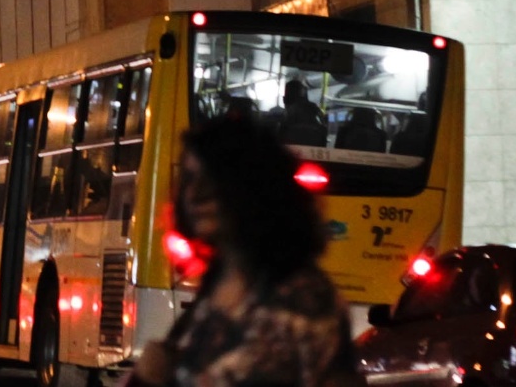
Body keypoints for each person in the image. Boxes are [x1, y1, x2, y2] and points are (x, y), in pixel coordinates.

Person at [127, 114, 357, 387]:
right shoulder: (219, 280)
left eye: (214, 178)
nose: (195, 194)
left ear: (254, 187)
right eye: (189, 178)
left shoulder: (301, 296)